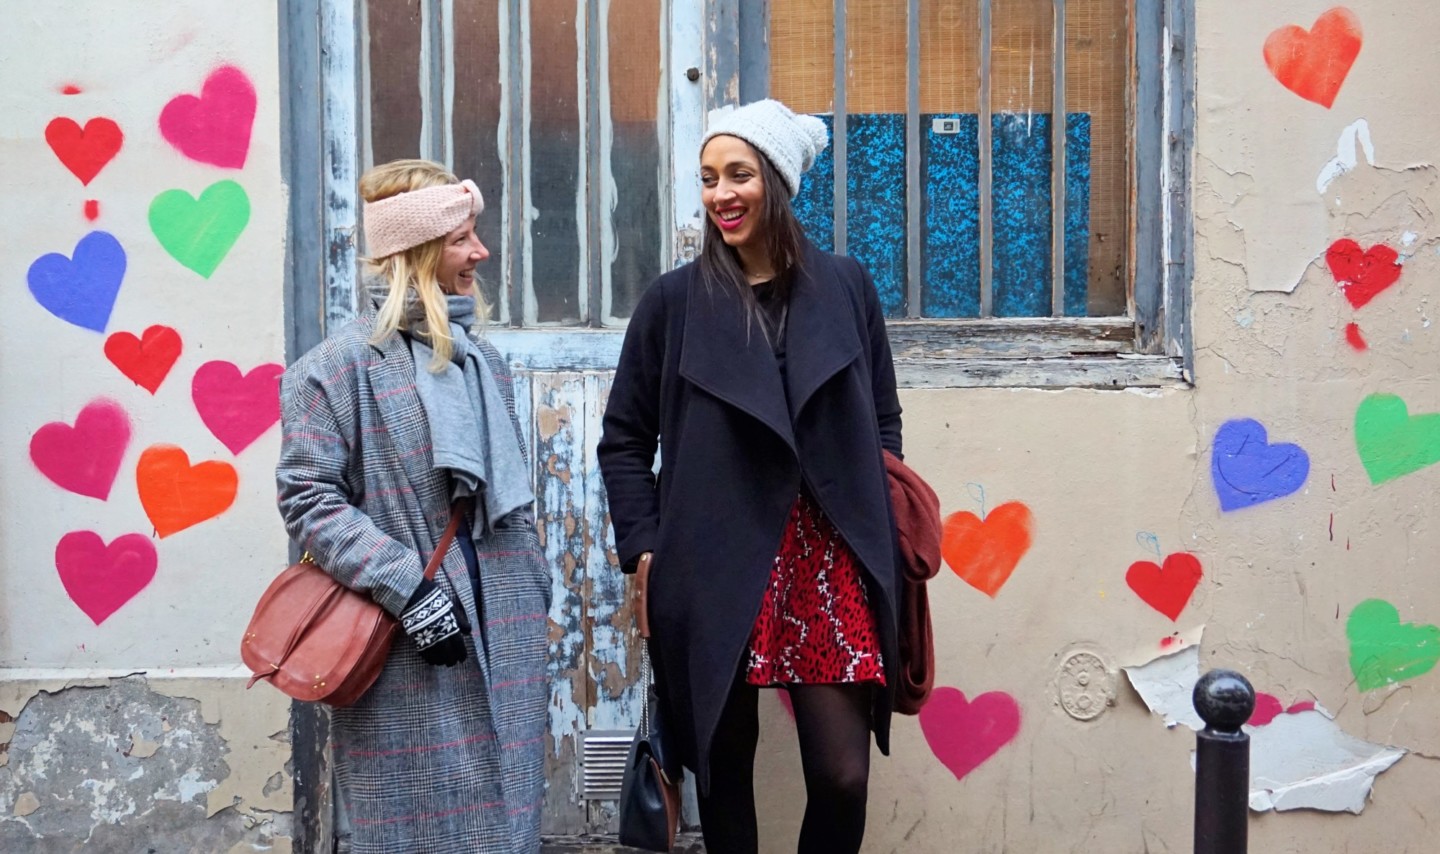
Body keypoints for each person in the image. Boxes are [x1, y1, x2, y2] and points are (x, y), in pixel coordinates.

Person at [598, 100, 904, 854]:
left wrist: (879, 514)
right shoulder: (674, 303)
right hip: (714, 555)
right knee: (724, 769)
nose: (721, 194)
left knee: (842, 776)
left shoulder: (847, 287)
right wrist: (645, 546)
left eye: (738, 174)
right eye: (708, 179)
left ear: (777, 180)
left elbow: (884, 420)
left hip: (827, 555)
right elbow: (624, 439)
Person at [276, 159, 550, 853]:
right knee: (418, 830)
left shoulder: (483, 362)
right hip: (407, 640)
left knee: (505, 825)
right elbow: (309, 498)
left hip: (504, 627)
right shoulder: (334, 369)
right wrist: (410, 589)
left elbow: (510, 500)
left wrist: (535, 582)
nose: (480, 252)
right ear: (420, 251)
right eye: (462, 239)